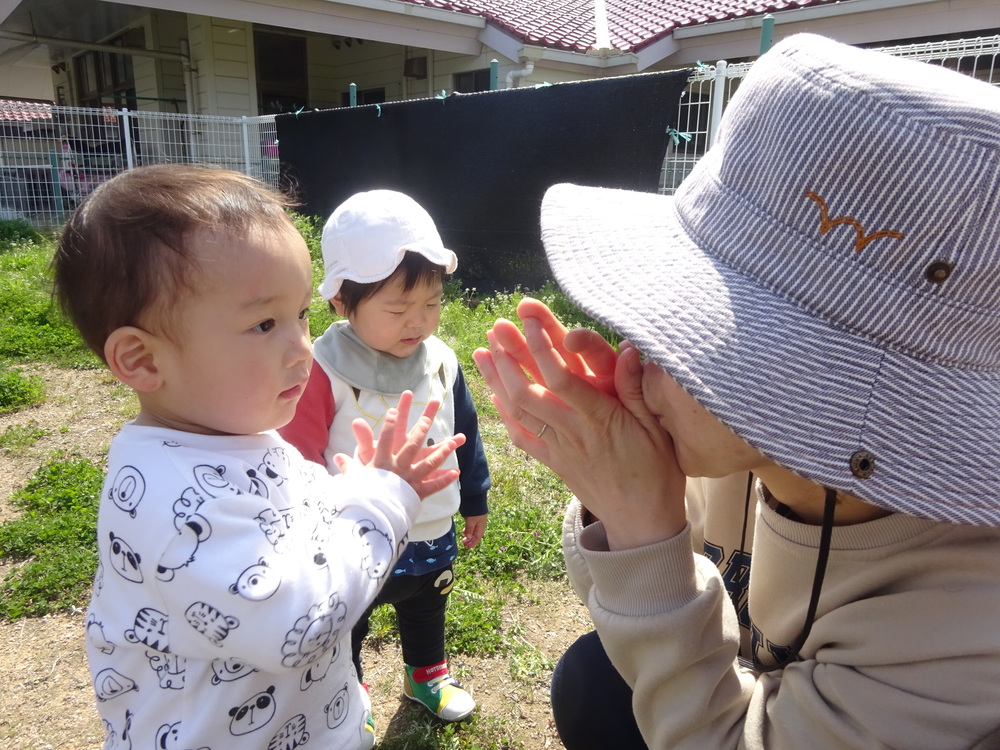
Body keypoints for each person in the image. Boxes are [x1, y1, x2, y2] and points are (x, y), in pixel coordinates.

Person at [472, 33, 1000, 749]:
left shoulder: (963, 620)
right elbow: (612, 596)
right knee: (595, 679)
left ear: (822, 392)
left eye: (691, 328)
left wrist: (642, 525)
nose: (637, 352)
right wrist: (619, 496)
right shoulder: (738, 455)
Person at [53, 164, 466, 750]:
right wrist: (385, 499)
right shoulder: (175, 506)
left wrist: (349, 489)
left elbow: (298, 506)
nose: (302, 347)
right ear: (143, 361)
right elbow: (298, 623)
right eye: (265, 323)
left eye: (300, 314)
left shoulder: (240, 432)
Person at [279, 189, 491, 722]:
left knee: (428, 603)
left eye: (432, 303)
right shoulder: (323, 370)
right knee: (349, 617)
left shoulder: (441, 360)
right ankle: (346, 691)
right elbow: (298, 458)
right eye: (397, 308)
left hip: (432, 524)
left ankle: (426, 675)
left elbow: (463, 428)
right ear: (341, 302)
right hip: (353, 536)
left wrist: (475, 497)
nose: (417, 321)